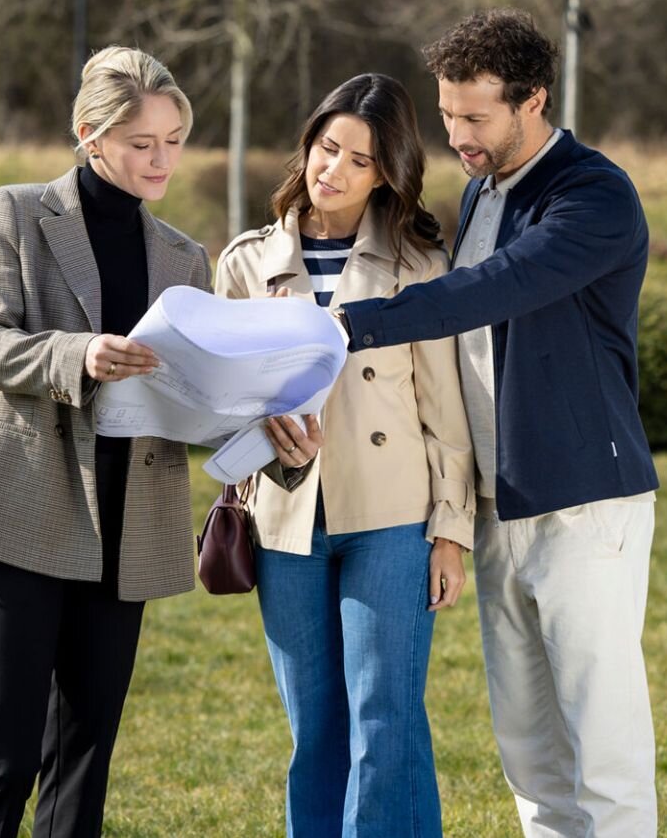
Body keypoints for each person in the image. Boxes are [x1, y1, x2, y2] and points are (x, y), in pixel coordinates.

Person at [0, 46, 322, 838]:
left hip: (127, 530)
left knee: (85, 756)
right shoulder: (13, 212)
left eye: (173, 140)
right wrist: (80, 355)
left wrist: (275, 444)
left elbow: (197, 398)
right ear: (91, 136)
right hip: (16, 514)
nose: (162, 159)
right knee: (5, 756)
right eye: (143, 142)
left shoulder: (184, 256)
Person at [334, 10, 660, 837]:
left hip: (583, 504)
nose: (458, 137)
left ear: (533, 100)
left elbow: (496, 287)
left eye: (475, 117)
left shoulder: (593, 195)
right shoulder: (481, 190)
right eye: (448, 115)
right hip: (497, 502)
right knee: (529, 748)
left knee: (603, 744)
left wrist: (353, 323)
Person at [215, 72, 475, 838]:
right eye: (328, 147)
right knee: (315, 727)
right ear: (309, 143)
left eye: (360, 160)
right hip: (284, 519)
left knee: (385, 719)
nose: (334, 169)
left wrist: (451, 532)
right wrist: (258, 431)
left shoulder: (418, 263)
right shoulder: (244, 263)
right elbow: (220, 402)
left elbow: (446, 412)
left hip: (394, 519)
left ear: (386, 174)